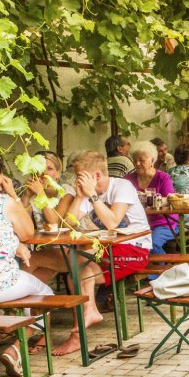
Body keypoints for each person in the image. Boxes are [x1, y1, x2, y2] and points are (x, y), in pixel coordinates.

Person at [34, 151, 151, 355]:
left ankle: (81, 323)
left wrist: (92, 195)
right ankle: (81, 322)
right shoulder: (87, 194)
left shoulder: (121, 186)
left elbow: (112, 222)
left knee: (75, 267)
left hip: (134, 248)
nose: (77, 180)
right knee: (72, 267)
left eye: (80, 175)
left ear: (96, 176)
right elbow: (66, 224)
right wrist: (79, 197)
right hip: (105, 248)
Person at [0, 152, 54, 372]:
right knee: (47, 296)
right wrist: (13, 196)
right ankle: (15, 349)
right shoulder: (2, 202)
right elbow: (26, 232)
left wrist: (12, 243)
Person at [125, 141, 178, 254]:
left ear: (152, 160)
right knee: (126, 245)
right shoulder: (128, 179)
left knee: (151, 243)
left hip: (163, 223)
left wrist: (150, 198)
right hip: (137, 224)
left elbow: (169, 200)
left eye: (142, 160)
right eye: (135, 160)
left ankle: (163, 269)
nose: (137, 163)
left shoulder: (163, 178)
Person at [20, 151, 76, 230]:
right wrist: (27, 195)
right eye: (40, 168)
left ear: (58, 173)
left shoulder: (66, 191)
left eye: (49, 169)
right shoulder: (32, 193)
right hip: (37, 241)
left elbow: (54, 224)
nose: (44, 173)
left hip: (62, 241)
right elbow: (20, 224)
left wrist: (40, 193)